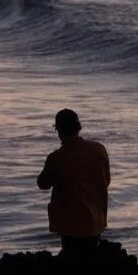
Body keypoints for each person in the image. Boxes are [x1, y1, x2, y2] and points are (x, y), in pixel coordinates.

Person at [37, 107, 110, 258]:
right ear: (78, 127)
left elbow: (42, 183)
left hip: (70, 225)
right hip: (96, 222)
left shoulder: (57, 157)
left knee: (72, 267)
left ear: (59, 130)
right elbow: (106, 181)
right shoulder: (99, 150)